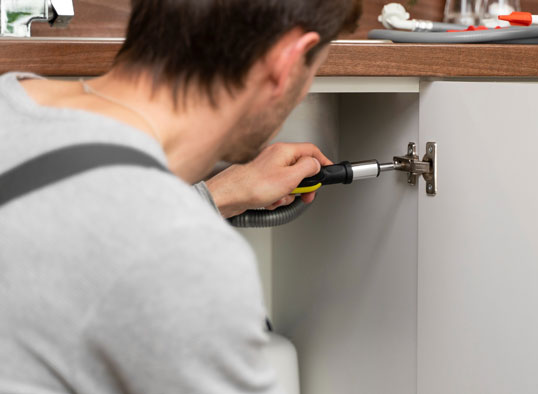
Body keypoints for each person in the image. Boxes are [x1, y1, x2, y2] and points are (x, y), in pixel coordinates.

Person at [0, 0, 361, 392]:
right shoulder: (187, 255)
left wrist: (215, 195)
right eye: (314, 69)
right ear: (287, 61)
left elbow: (65, 227)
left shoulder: (10, 99)